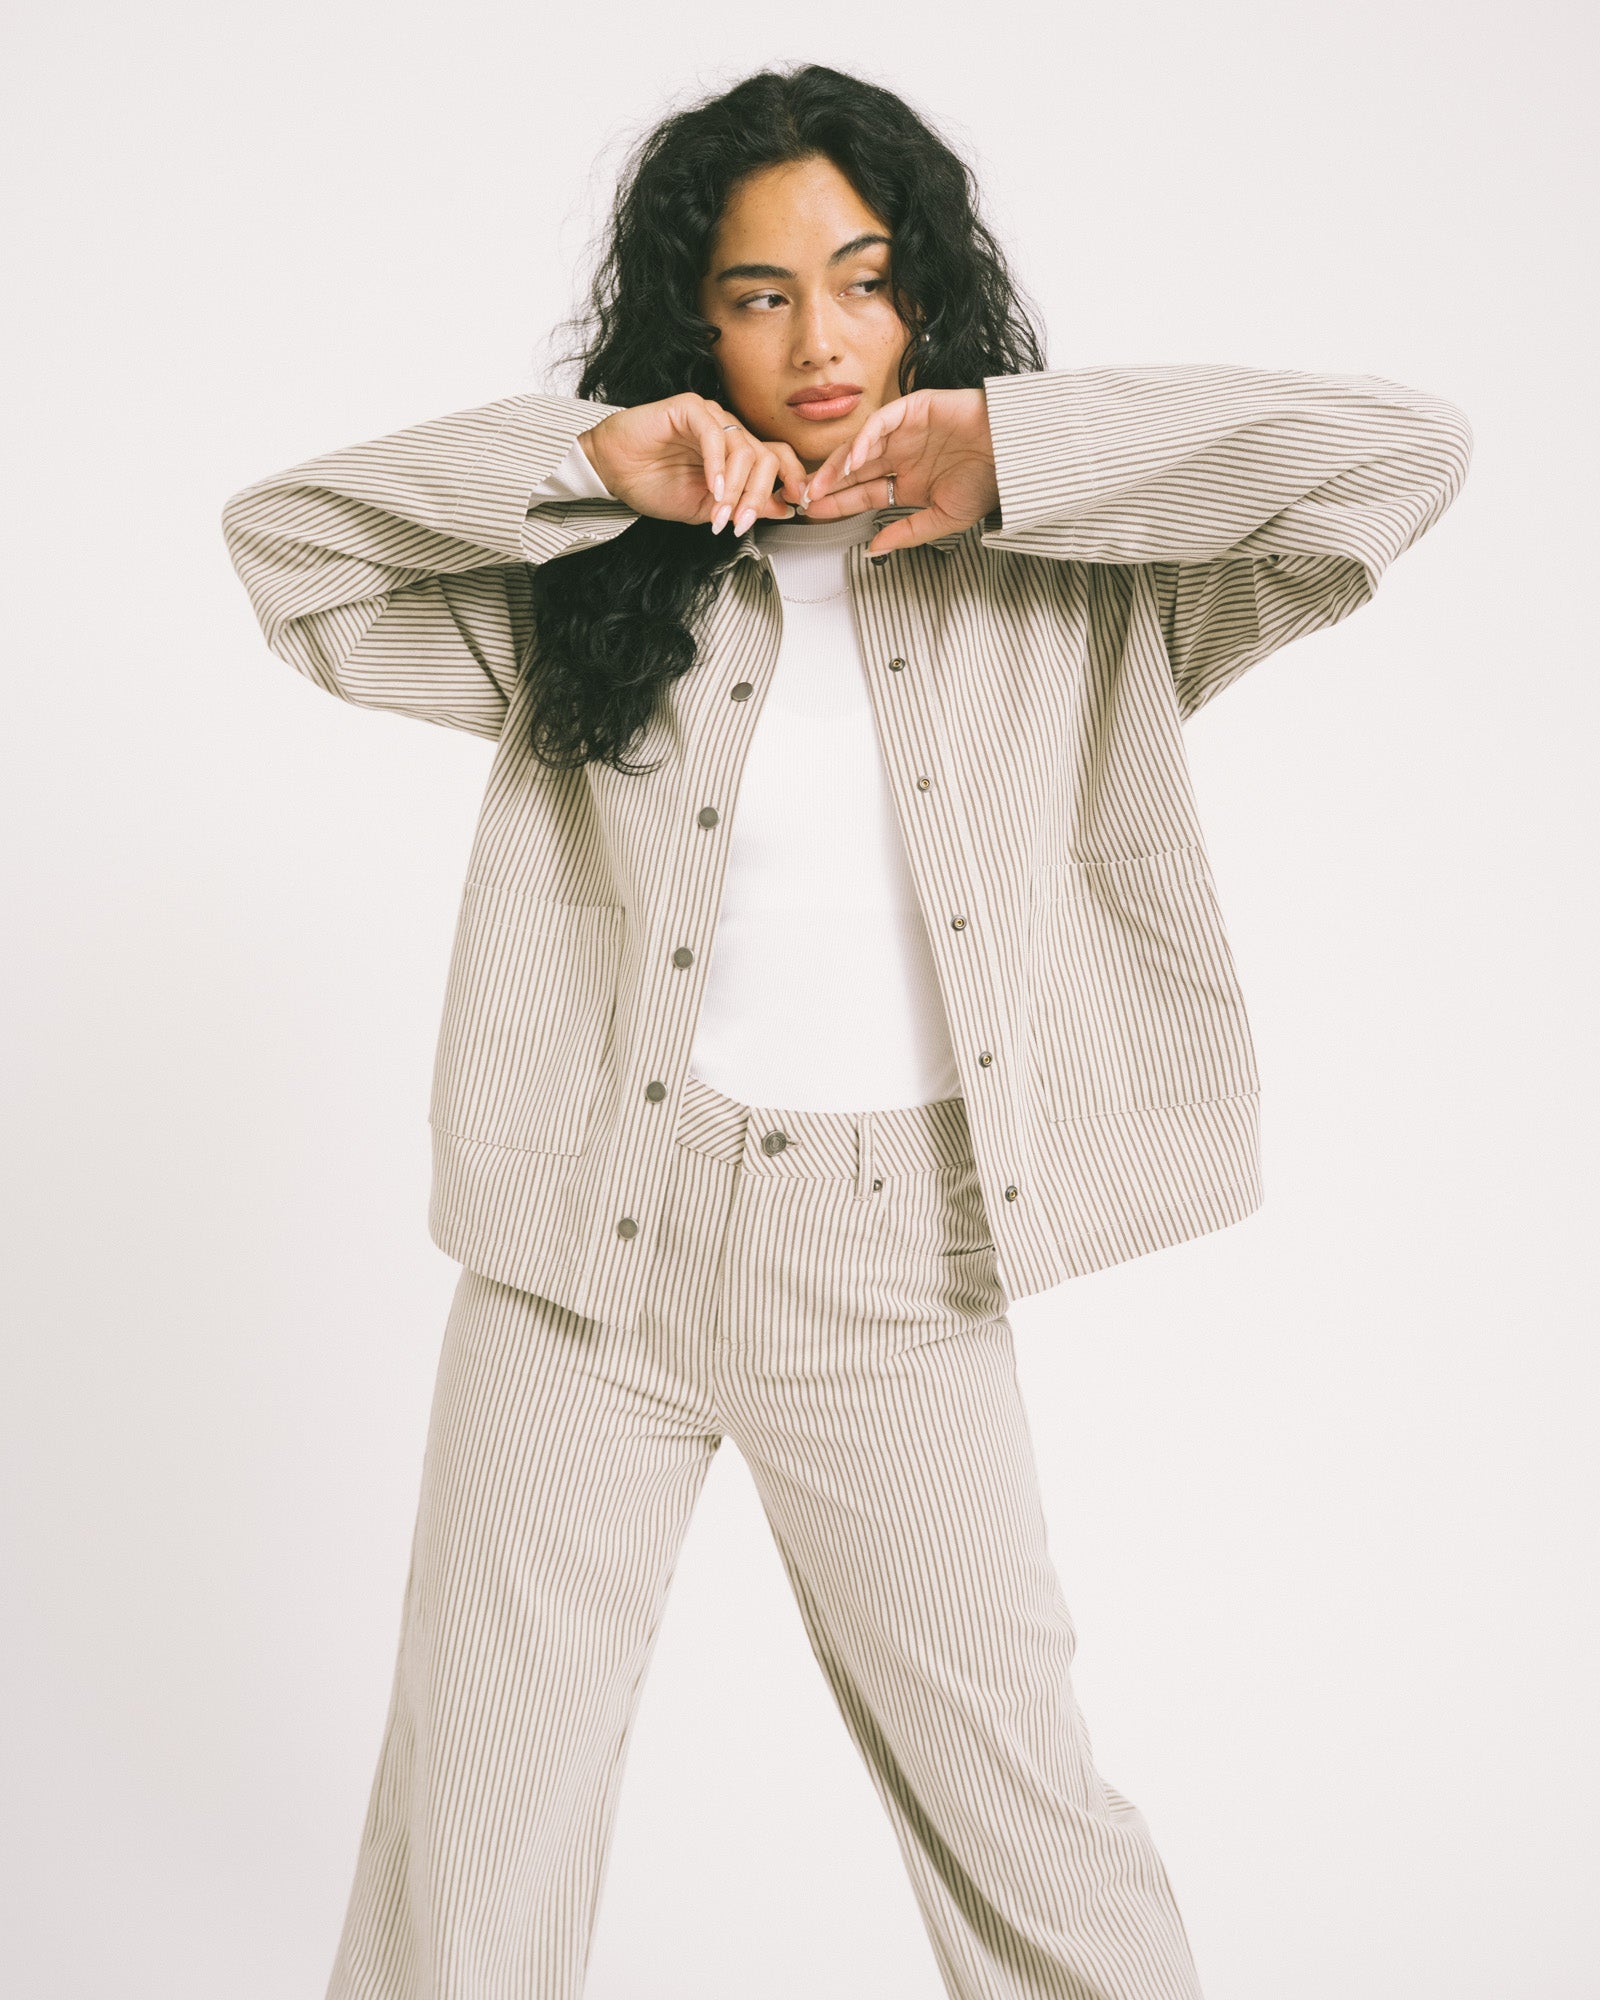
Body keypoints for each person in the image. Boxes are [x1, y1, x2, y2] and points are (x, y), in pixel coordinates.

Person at [221, 61, 1472, 2000]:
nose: (818, 339)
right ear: (692, 323)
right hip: (582, 1261)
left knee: (1025, 1820)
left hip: (895, 1265)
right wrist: (589, 466)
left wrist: (1019, 452)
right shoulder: (586, 592)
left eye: (865, 279)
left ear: (927, 293)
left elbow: (1396, 459)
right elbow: (290, 550)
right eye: (759, 294)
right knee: (471, 1828)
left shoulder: (1081, 583)